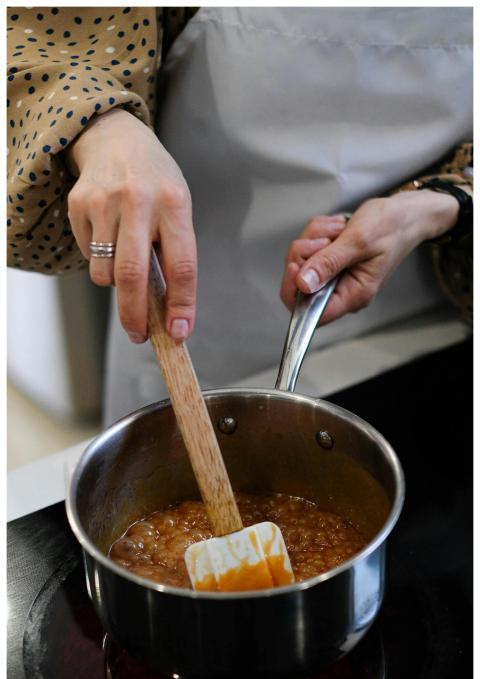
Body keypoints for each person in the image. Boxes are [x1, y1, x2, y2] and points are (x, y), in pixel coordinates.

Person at [7, 8, 473, 423]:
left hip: (431, 320)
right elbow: (35, 36)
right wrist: (102, 128)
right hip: (196, 330)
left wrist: (435, 204)